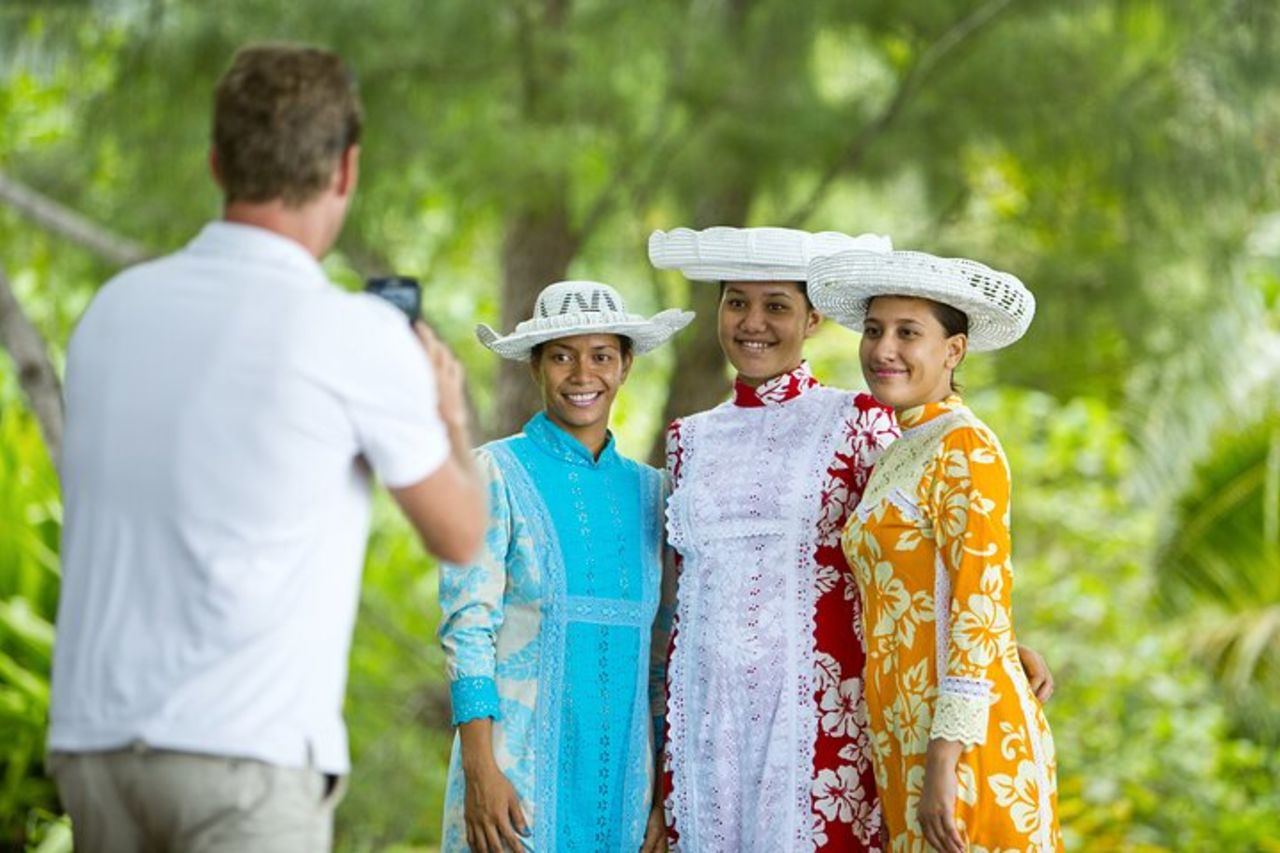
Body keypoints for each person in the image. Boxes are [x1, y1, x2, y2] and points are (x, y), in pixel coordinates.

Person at [47, 43, 486, 852]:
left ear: (218, 161)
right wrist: (450, 414)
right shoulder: (350, 332)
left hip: (97, 746)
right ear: (346, 170)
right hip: (245, 763)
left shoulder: (112, 311)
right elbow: (460, 533)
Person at [647, 226, 1054, 852]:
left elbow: (964, 557)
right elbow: (911, 555)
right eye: (736, 302)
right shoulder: (688, 439)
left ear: (811, 318)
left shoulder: (864, 421)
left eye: (777, 304)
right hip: (718, 715)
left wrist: (998, 645)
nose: (753, 321)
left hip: (828, 721)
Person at [808, 248, 1063, 852]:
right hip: (903, 736)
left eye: (908, 333)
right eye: (874, 331)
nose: (883, 349)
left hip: (962, 748)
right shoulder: (902, 448)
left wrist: (945, 764)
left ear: (953, 350)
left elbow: (976, 613)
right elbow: (941, 588)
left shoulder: (967, 448)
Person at [438, 280, 693, 852]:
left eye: (601, 355)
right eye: (562, 356)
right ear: (536, 367)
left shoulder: (656, 495)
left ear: (625, 366)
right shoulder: (492, 474)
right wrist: (481, 773)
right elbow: (466, 629)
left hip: (625, 789)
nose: (583, 374)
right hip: (513, 785)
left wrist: (660, 798)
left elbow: (661, 659)